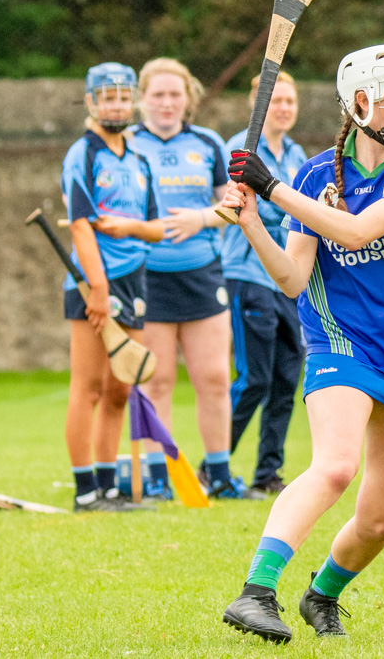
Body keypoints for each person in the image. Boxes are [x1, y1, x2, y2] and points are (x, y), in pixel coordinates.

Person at [219, 45, 384, 642]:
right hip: (338, 343)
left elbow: (354, 229)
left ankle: (321, 594)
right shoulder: (315, 175)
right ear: (361, 102)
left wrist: (267, 188)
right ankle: (256, 592)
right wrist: (251, 222)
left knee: (380, 522)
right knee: (336, 464)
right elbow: (295, 278)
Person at [130, 57, 253, 499]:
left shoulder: (207, 143)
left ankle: (218, 474)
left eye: (174, 94)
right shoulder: (126, 144)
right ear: (142, 99)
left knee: (214, 377)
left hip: (201, 273)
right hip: (148, 277)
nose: (166, 103)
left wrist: (200, 218)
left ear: (188, 99)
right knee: (156, 381)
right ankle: (160, 476)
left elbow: (233, 206)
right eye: (158, 94)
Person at [60, 62, 164, 511]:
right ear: (90, 102)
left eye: (124, 97)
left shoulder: (140, 158)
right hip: (92, 283)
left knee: (122, 386)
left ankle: (108, 486)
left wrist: (131, 229)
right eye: (108, 97)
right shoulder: (82, 154)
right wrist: (97, 289)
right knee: (88, 387)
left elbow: (157, 229)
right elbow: (81, 227)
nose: (117, 104)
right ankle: (85, 491)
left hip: (134, 279)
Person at [222, 73, 309, 495]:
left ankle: (266, 474)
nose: (284, 108)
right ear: (257, 103)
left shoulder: (297, 154)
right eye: (276, 101)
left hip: (289, 279)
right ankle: (215, 465)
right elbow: (241, 206)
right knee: (254, 378)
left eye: (290, 101)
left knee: (286, 379)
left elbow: (304, 212)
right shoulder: (240, 148)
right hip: (248, 274)